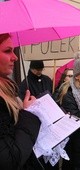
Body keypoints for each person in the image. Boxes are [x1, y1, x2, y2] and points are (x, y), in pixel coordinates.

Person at [0, 33, 42, 169]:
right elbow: (9, 160)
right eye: (7, 51)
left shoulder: (8, 88)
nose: (15, 57)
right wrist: (29, 114)